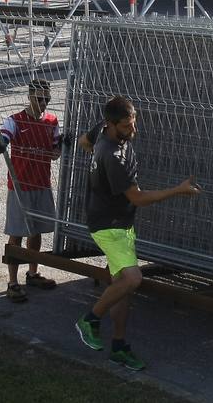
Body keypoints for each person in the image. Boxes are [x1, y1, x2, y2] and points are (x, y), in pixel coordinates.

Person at [74, 95, 200, 371]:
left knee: (121, 287)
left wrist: (99, 175)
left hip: (119, 223)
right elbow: (138, 198)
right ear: (111, 124)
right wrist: (177, 190)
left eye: (134, 123)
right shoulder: (113, 156)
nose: (134, 131)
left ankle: (119, 346)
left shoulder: (100, 131)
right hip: (110, 227)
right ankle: (90, 319)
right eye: (127, 127)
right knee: (133, 279)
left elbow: (84, 142)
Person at [0, 78, 61, 303]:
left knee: (37, 231)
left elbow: (55, 153)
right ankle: (12, 281)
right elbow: (3, 138)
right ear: (30, 97)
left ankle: (33, 272)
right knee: (17, 232)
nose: (43, 103)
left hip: (41, 184)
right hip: (20, 186)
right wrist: (0, 143)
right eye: (39, 99)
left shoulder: (51, 121)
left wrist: (61, 145)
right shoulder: (15, 120)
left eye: (47, 99)